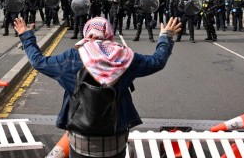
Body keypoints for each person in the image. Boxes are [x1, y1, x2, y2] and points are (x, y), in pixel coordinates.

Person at [14, 16, 181, 158]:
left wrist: (26, 35)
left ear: (87, 33)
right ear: (109, 34)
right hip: (115, 138)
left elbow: (38, 61)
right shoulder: (126, 58)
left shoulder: (72, 57)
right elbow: (157, 61)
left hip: (80, 140)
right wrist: (166, 36)